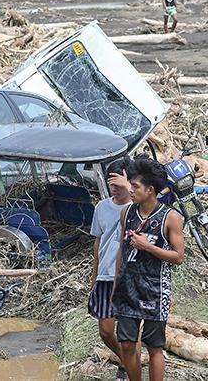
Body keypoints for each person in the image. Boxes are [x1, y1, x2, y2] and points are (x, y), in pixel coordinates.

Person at [112, 158, 185, 381]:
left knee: (154, 347)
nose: (130, 190)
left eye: (135, 187)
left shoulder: (170, 217)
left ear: (150, 190)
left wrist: (148, 246)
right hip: (127, 287)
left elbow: (178, 257)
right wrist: (116, 281)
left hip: (155, 289)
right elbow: (122, 249)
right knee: (126, 344)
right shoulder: (128, 213)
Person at [88, 158, 132, 381]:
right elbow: (98, 242)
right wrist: (94, 274)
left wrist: (129, 187)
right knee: (105, 331)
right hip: (105, 275)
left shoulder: (137, 208)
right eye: (110, 184)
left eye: (118, 183)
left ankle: (128, 368)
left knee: (127, 330)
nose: (114, 188)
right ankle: (125, 360)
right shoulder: (102, 207)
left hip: (128, 278)